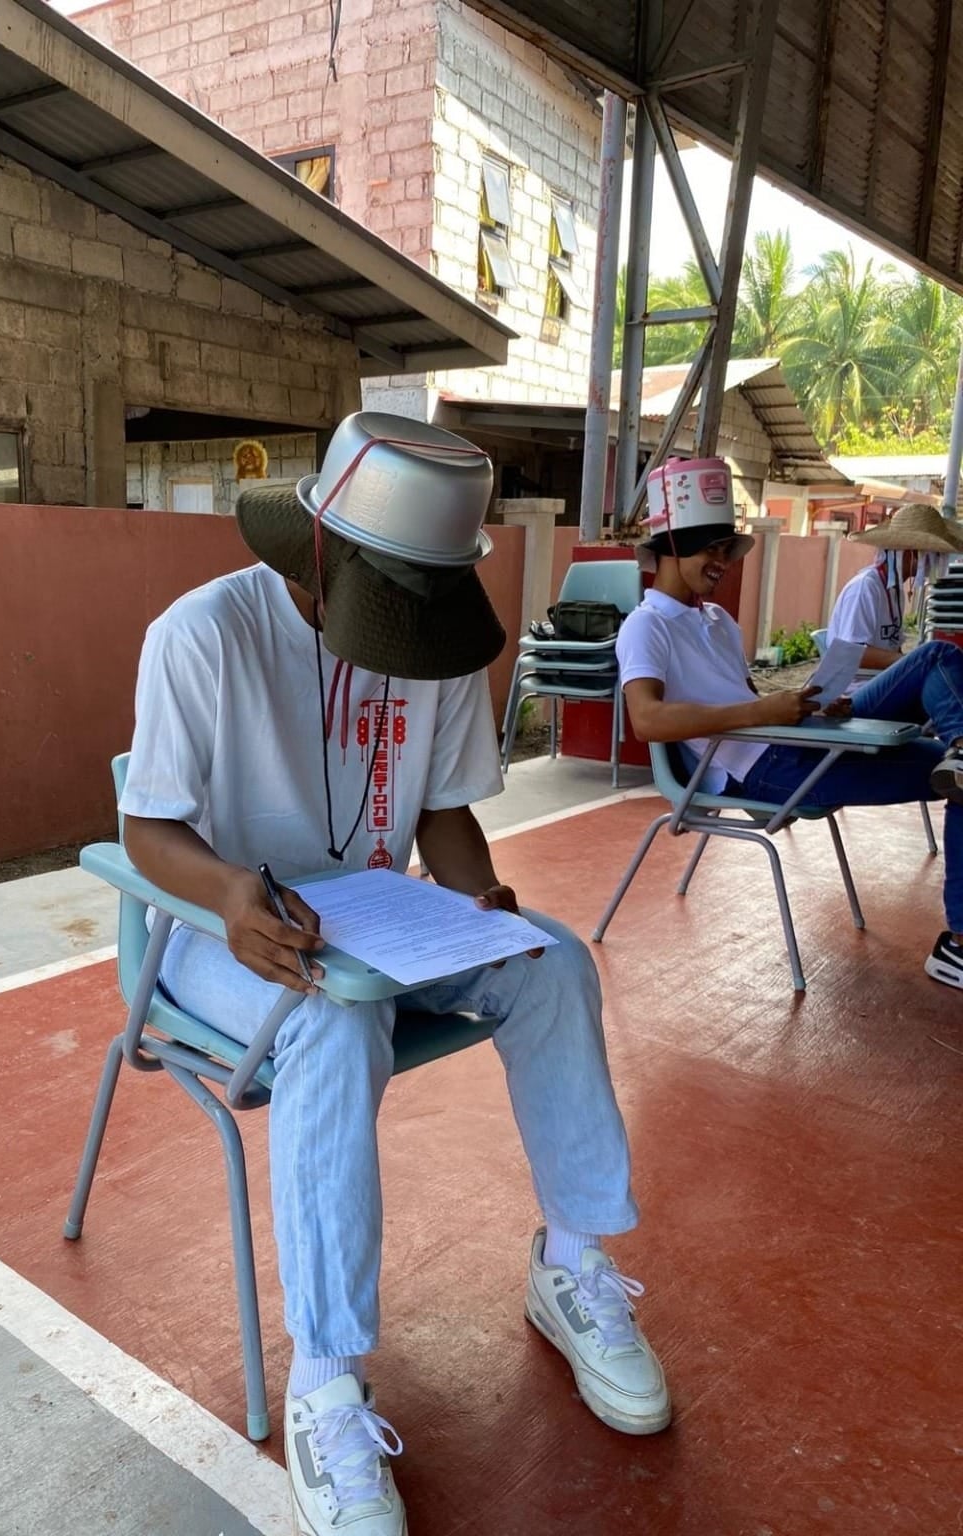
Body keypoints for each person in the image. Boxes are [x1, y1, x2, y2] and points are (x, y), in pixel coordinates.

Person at [119, 413, 670, 1536]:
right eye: (386, 605)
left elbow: (439, 810)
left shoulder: (432, 642)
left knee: (553, 961)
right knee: (330, 1028)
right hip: (229, 937)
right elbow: (147, 831)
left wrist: (479, 902)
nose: (404, 636)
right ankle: (326, 1383)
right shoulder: (200, 636)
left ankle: (571, 1262)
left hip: (388, 923)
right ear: (318, 556)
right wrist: (231, 894)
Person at [615, 458, 963, 993]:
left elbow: (748, 699)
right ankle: (958, 948)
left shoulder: (718, 622)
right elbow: (646, 720)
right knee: (956, 772)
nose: (721, 562)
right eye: (711, 548)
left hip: (795, 740)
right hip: (763, 772)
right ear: (671, 548)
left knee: (935, 656)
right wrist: (761, 713)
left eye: (726, 549)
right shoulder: (646, 626)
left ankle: (958, 745)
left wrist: (813, 707)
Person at [827, 502, 963, 672]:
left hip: (877, 680)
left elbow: (891, 648)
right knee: (934, 653)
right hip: (853, 687)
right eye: (932, 553)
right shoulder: (865, 588)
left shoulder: (895, 590)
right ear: (910, 553)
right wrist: (913, 661)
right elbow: (851, 654)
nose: (935, 560)